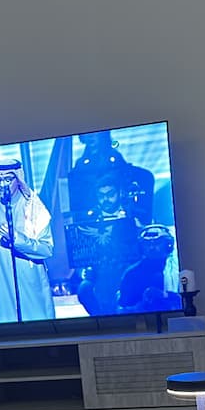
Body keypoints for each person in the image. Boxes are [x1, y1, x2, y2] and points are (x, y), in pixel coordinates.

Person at [0, 157, 55, 324]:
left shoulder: (34, 207)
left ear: (19, 179)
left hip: (31, 287)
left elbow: (46, 249)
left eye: (8, 179)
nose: (3, 184)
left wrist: (16, 239)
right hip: (1, 289)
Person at [75, 176, 142, 316]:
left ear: (120, 193)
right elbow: (79, 251)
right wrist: (83, 271)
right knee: (84, 288)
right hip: (99, 271)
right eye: (101, 196)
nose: (106, 199)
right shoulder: (88, 220)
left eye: (110, 194)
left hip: (127, 268)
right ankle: (102, 320)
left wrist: (136, 226)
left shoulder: (134, 215)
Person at [68, 131, 154, 226]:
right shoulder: (79, 168)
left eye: (94, 132)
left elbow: (143, 177)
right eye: (86, 133)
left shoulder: (115, 159)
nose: (90, 136)